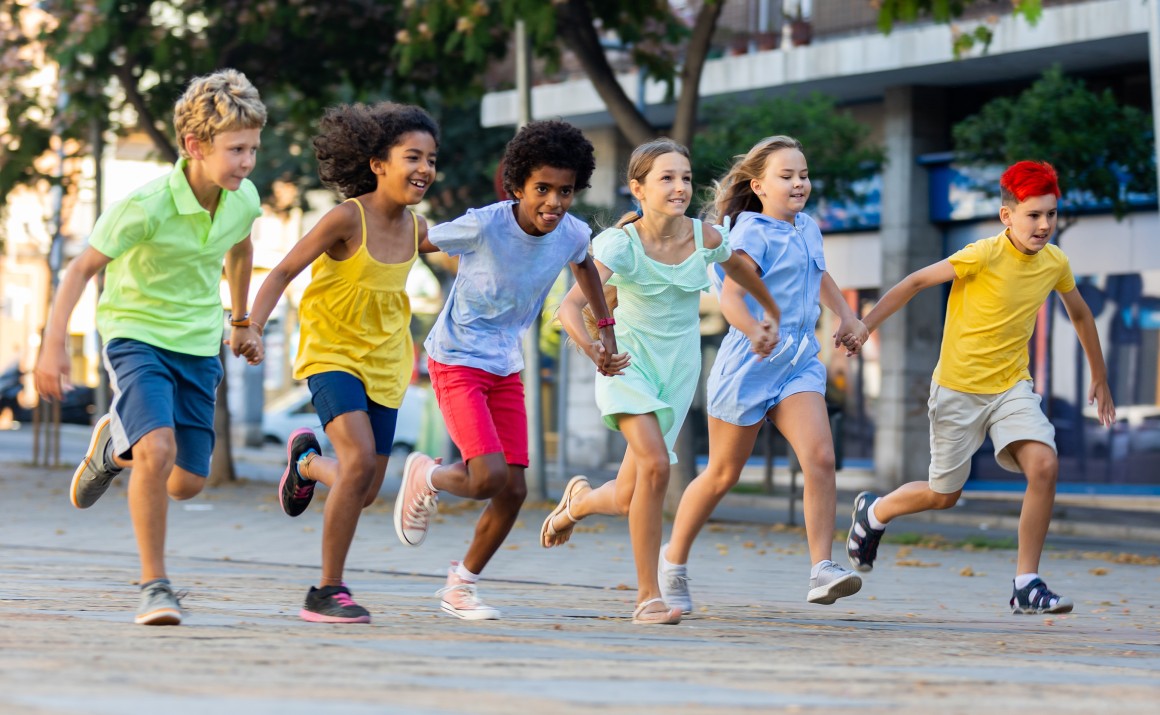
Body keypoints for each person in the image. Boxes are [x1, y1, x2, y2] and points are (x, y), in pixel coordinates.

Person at [34, 70, 266, 626]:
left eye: (253, 149)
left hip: (197, 341)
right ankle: (154, 586)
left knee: (186, 483)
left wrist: (240, 319)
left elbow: (241, 246)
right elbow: (81, 268)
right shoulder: (145, 206)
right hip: (136, 334)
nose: (247, 162)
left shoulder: (243, 198)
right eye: (236, 150)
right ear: (195, 146)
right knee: (157, 451)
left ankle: (115, 445)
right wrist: (52, 346)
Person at [846, 160, 1116, 614]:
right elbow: (914, 282)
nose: (1045, 224)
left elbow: (1081, 314)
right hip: (958, 390)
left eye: (1051, 214)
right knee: (943, 495)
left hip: (1011, 388)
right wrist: (864, 326)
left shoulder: (1054, 263)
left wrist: (1101, 376)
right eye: (1034, 215)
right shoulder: (982, 254)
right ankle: (874, 512)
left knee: (1044, 465)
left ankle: (1026, 584)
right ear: (1007, 216)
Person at [544, 138, 782, 624]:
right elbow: (569, 308)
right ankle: (648, 597)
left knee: (632, 494)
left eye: (686, 178)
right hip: (627, 365)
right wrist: (595, 352)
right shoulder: (620, 245)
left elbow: (740, 270)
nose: (680, 187)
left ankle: (577, 504)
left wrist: (768, 313)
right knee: (656, 466)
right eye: (666, 178)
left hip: (678, 372)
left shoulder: (706, 238)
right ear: (638, 189)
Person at [393, 119, 621, 621]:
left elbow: (583, 263)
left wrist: (605, 328)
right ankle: (426, 474)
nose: (554, 203)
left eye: (565, 191)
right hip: (455, 358)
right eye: (542, 189)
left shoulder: (572, 233)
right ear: (517, 185)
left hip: (505, 365)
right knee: (486, 477)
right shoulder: (485, 224)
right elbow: (418, 241)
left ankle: (460, 586)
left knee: (513, 488)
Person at [656, 136, 868, 613]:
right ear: (759, 185)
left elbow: (820, 277)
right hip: (747, 364)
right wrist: (754, 329)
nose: (799, 184)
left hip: (797, 363)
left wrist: (848, 316)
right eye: (786, 176)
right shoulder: (751, 233)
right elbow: (731, 296)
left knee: (820, 457)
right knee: (722, 474)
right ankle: (672, 562)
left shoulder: (808, 227)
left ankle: (821, 568)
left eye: (804, 174)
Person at [247, 102, 439, 623]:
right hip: (331, 352)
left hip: (387, 364)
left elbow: (470, 255)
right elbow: (284, 271)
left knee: (368, 487)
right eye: (412, 156)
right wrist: (253, 325)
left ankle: (306, 463)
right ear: (378, 162)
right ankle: (327, 590)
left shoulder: (419, 229)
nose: (424, 168)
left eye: (431, 159)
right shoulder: (345, 217)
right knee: (356, 466)